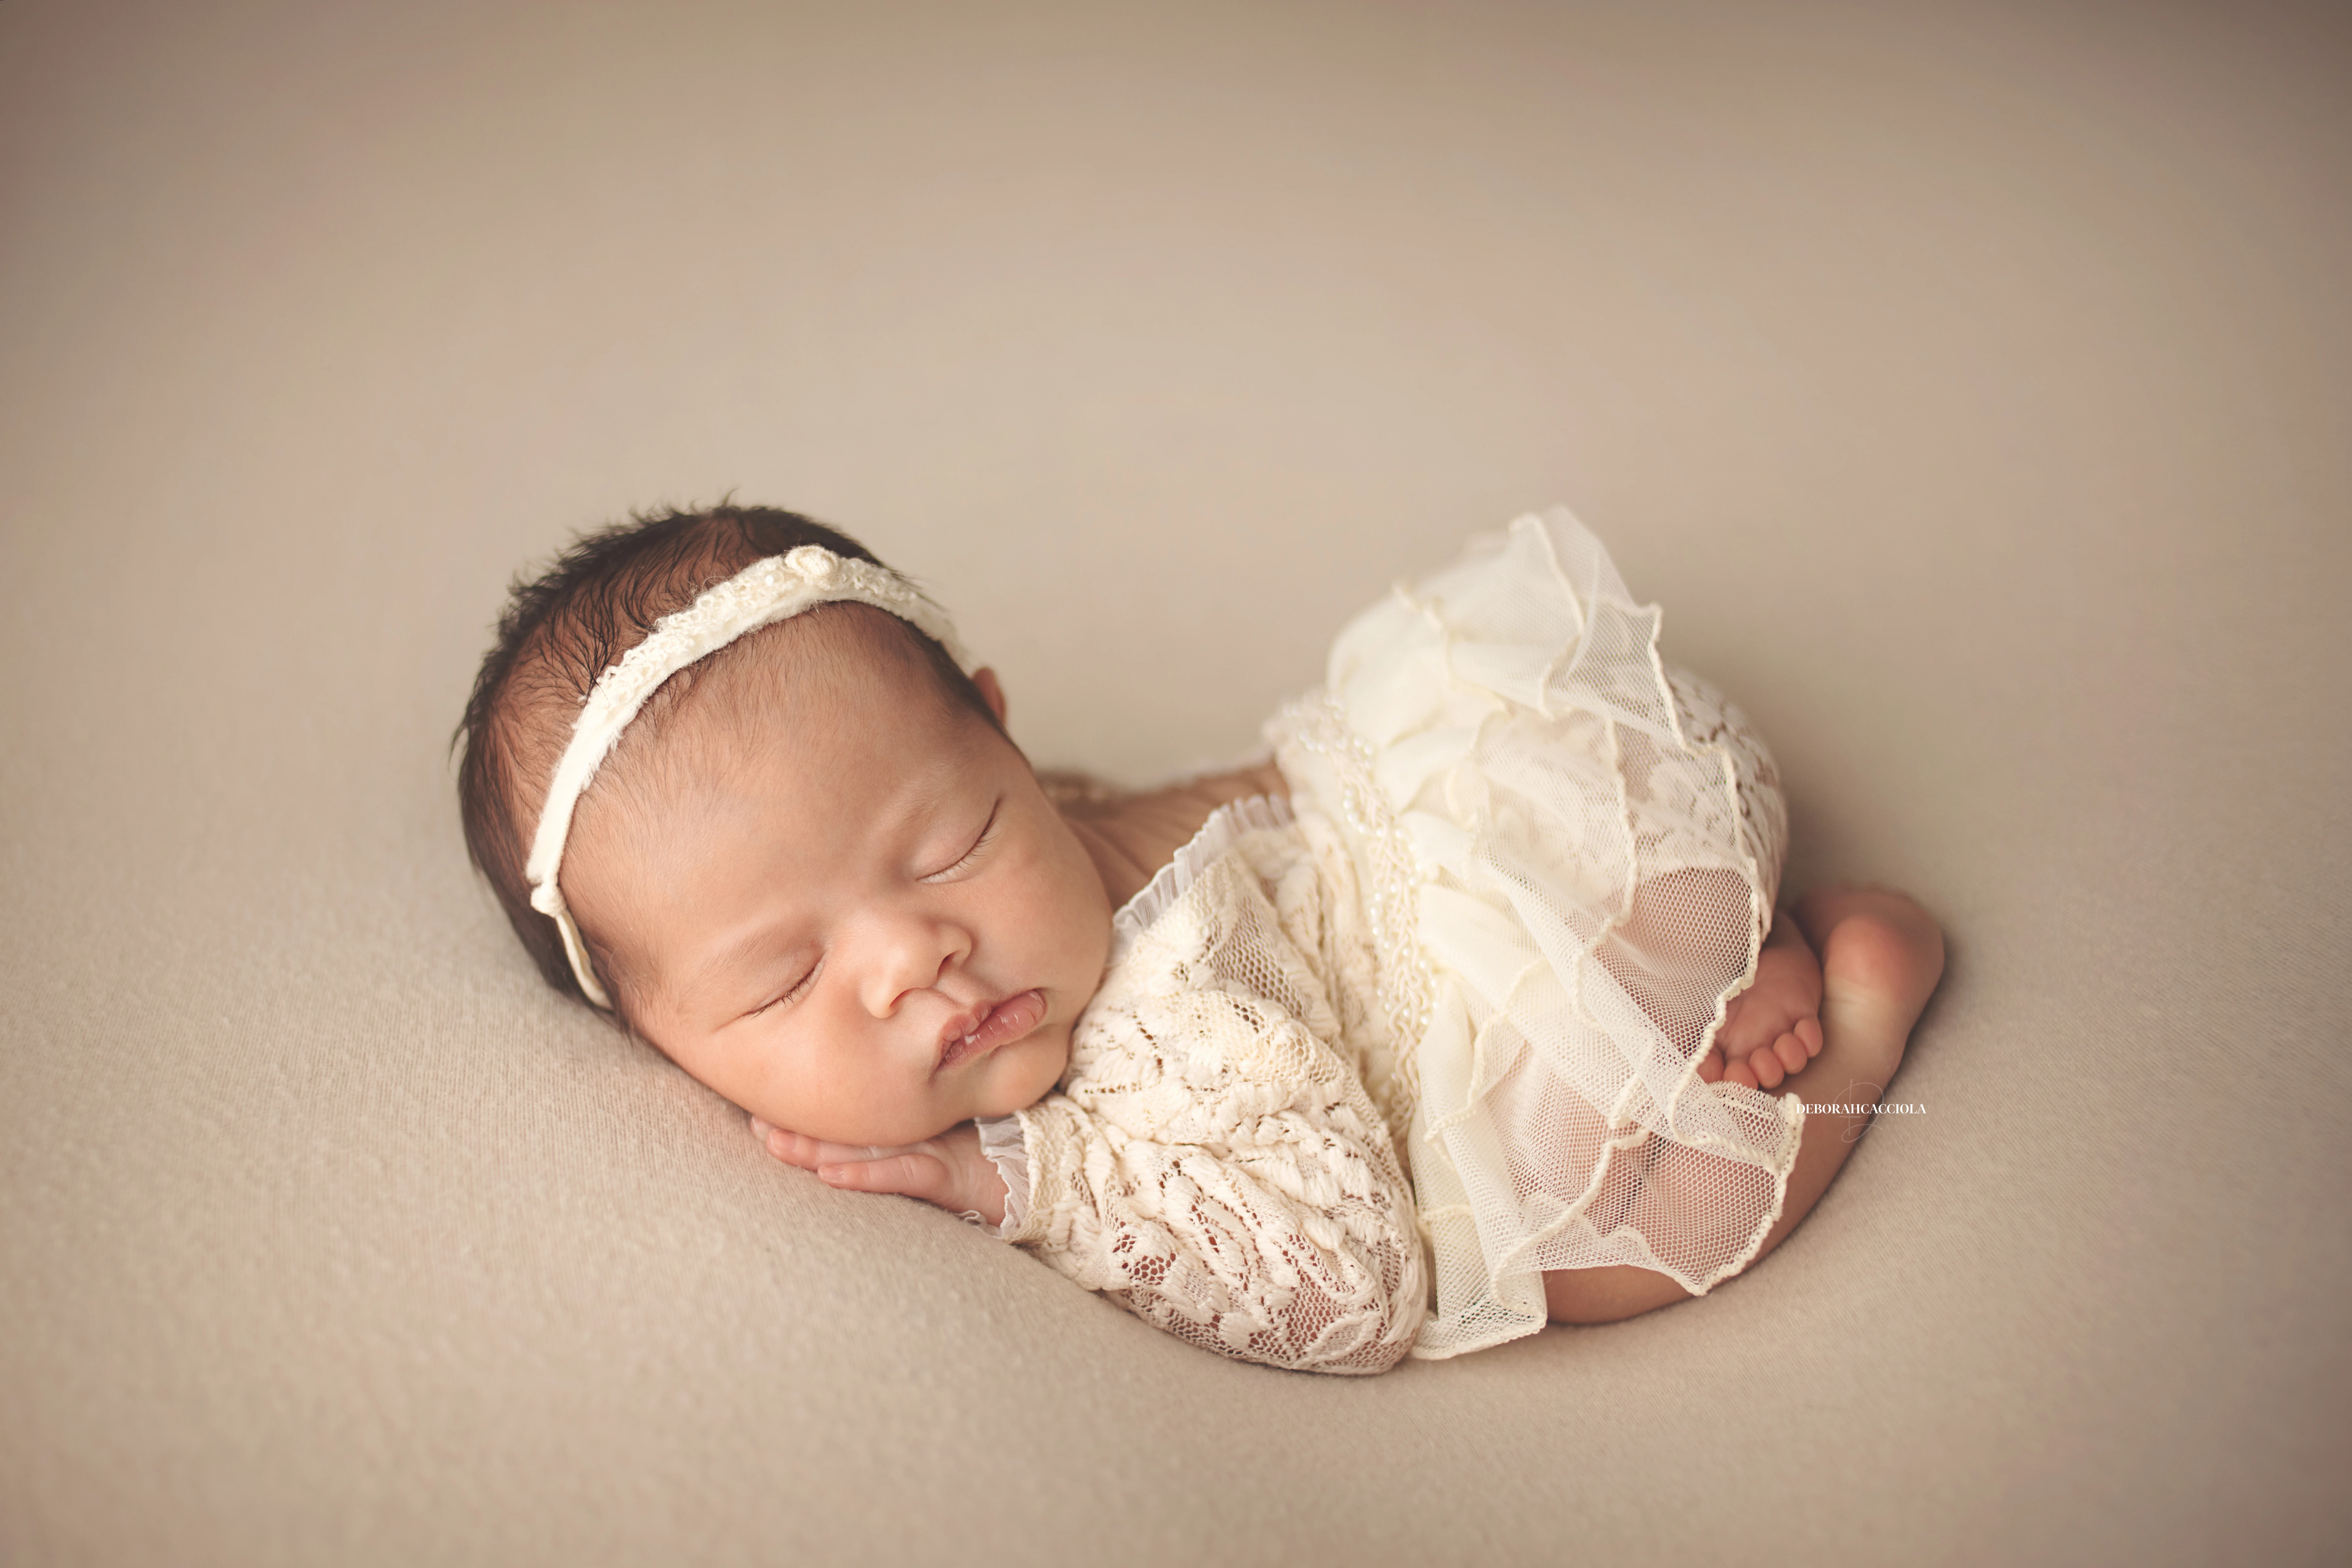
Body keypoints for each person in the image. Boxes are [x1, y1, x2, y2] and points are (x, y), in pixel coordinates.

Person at [455, 503, 1944, 1372]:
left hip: (1560, 870)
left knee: (1573, 1255)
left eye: (952, 843)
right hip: (1544, 783)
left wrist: (1020, 1182)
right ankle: (1723, 952)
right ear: (655, 1042)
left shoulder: (1168, 1005)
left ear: (998, 724)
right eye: (787, 978)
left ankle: (1847, 1014)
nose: (915, 957)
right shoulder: (1041, 823)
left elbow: (1363, 1290)